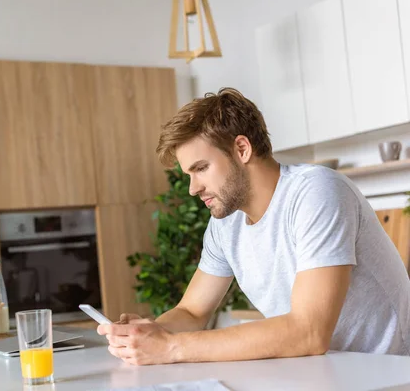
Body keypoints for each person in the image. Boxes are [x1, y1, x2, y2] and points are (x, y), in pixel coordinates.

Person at [97, 87, 410, 366]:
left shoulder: (316, 192)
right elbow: (192, 313)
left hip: (385, 373)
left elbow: (309, 332)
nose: (193, 188)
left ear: (242, 149)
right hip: (322, 372)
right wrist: (148, 333)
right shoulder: (225, 224)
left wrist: (172, 347)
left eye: (201, 168)